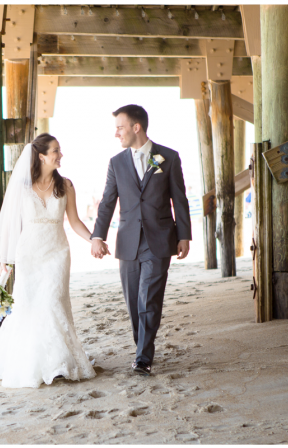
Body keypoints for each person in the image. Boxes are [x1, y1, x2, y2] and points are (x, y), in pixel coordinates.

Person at [0, 133, 97, 388]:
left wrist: (94, 239)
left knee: (53, 303)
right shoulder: (22, 187)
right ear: (41, 156)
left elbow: (74, 222)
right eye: (56, 151)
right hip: (28, 254)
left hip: (57, 253)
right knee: (28, 307)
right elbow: (10, 225)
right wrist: (4, 261)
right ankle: (33, 363)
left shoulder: (67, 186)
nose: (60, 155)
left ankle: (58, 364)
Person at [90, 104, 192, 376]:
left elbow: (179, 199)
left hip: (159, 241)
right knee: (134, 301)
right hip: (128, 242)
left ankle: (143, 358)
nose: (116, 134)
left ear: (136, 127)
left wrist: (184, 236)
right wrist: (97, 235)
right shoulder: (116, 163)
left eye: (119, 128)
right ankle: (142, 348)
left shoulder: (167, 157)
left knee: (149, 299)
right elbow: (108, 202)